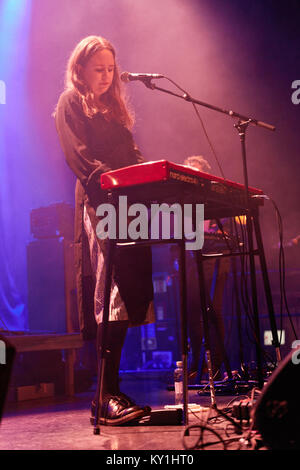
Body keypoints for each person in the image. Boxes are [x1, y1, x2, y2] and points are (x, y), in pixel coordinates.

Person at [55, 36, 155, 425]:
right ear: (79, 69)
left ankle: (110, 389)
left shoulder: (115, 111)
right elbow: (80, 158)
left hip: (128, 207)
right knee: (109, 293)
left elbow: (133, 156)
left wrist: (151, 177)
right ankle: (103, 393)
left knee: (126, 298)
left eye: (110, 69)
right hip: (100, 206)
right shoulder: (70, 103)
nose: (106, 75)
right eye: (98, 69)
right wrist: (116, 183)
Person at [182, 156, 231, 382]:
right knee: (192, 312)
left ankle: (217, 365)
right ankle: (197, 364)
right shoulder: (182, 201)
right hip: (192, 259)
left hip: (216, 257)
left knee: (213, 310)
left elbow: (228, 231)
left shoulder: (215, 199)